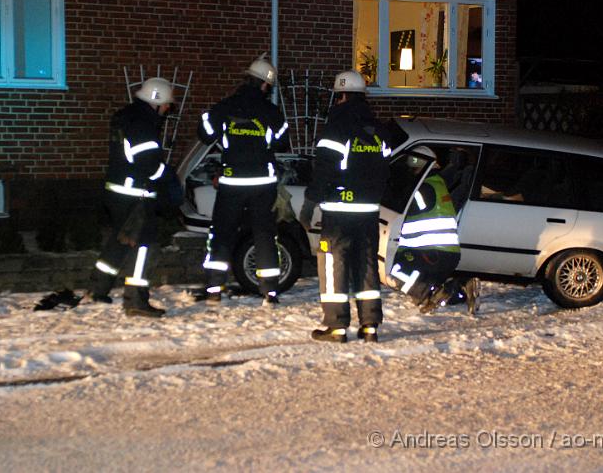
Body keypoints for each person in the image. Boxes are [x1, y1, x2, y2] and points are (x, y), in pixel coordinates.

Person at [300, 70, 391, 343]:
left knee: (332, 263)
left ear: (340, 96)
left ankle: (336, 326)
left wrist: (309, 204)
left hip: (339, 211)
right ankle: (370, 325)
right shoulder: (378, 131)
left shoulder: (336, 128)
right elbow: (386, 171)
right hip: (368, 211)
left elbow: (324, 170)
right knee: (366, 266)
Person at [194, 55, 289, 306]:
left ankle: (214, 287)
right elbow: (282, 141)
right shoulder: (271, 112)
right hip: (262, 184)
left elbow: (204, 133)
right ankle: (270, 291)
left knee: (222, 234)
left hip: (232, 183)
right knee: (265, 235)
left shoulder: (226, 107)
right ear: (265, 85)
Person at [88, 77, 176, 317]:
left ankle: (98, 288)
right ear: (156, 101)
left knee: (120, 239)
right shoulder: (142, 123)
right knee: (144, 245)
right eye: (166, 104)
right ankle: (135, 300)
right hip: (134, 195)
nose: (168, 108)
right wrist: (169, 176)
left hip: (118, 191)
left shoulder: (127, 116)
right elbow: (148, 163)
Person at [388, 146, 469, 314]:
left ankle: (429, 294)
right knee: (421, 275)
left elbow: (402, 210)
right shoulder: (438, 184)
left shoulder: (422, 189)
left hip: (431, 254)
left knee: (394, 270)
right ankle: (459, 290)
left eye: (414, 169)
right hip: (445, 255)